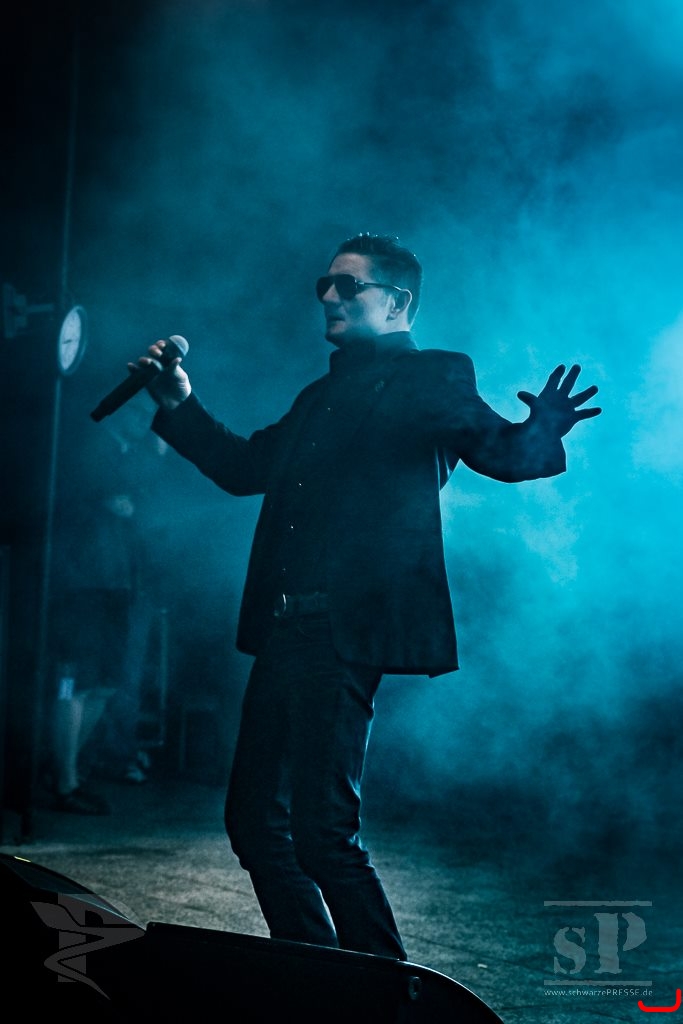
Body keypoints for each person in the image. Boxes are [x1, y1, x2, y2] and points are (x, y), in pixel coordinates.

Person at [132, 233, 601, 959]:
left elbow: (502, 453)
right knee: (255, 826)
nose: (329, 296)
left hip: (343, 629)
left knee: (322, 834)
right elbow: (244, 467)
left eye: (348, 286)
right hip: (285, 630)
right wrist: (179, 403)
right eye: (324, 284)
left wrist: (542, 427)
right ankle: (320, 974)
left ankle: (386, 989)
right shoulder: (318, 396)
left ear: (397, 301)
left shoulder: (432, 374)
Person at [48, 489, 139, 813]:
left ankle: (65, 771)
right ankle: (65, 782)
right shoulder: (84, 477)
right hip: (79, 590)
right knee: (73, 686)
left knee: (104, 687)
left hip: (116, 588)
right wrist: (103, 499)